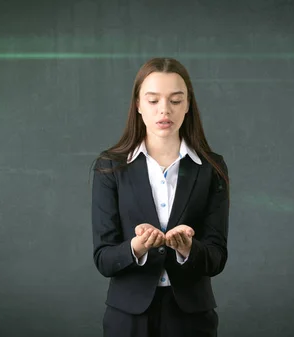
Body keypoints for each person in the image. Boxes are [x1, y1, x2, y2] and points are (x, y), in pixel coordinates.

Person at [91, 57, 230, 337]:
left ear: (188, 104)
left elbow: (216, 257)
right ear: (138, 105)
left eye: (175, 100)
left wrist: (187, 247)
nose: (164, 110)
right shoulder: (110, 166)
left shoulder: (211, 168)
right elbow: (104, 258)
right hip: (128, 317)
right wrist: (137, 246)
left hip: (192, 318)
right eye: (153, 100)